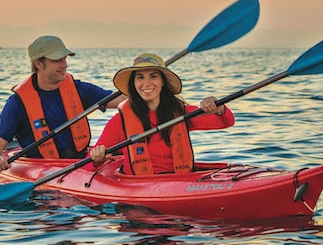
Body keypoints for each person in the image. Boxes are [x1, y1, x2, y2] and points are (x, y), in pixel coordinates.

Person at [0, 35, 125, 172]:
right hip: (41, 170)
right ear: (38, 64)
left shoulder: (79, 89)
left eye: (64, 58)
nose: (65, 65)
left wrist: (137, 85)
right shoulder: (17, 103)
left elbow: (120, 100)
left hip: (80, 164)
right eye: (57, 60)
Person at [89, 52, 234, 174]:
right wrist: (97, 159)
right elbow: (88, 165)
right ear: (134, 83)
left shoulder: (181, 113)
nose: (147, 83)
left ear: (163, 81)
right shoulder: (120, 121)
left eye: (153, 76)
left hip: (180, 182)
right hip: (137, 188)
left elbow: (226, 122)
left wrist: (218, 108)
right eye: (140, 77)